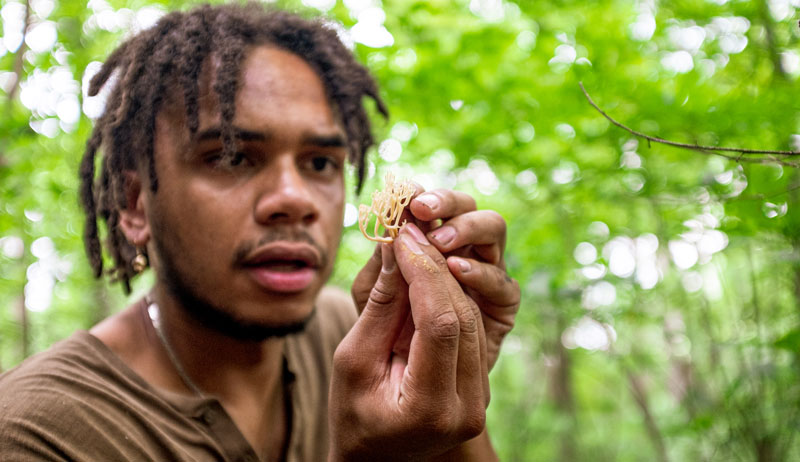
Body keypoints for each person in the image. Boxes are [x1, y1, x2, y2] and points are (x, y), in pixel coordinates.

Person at [0, 3, 520, 461]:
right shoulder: (36, 431)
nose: (293, 200)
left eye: (319, 161)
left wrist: (453, 386)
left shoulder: (346, 329)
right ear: (135, 207)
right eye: (231, 156)